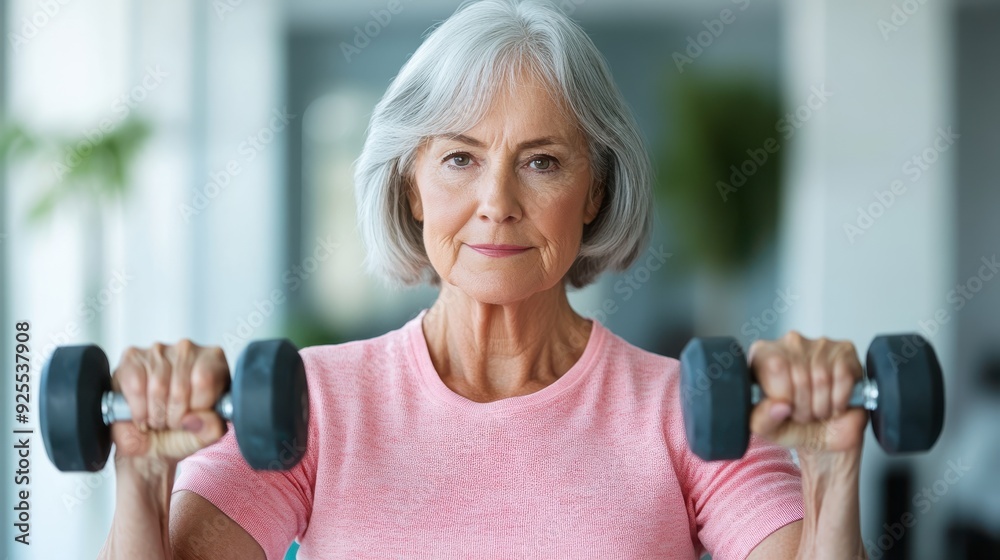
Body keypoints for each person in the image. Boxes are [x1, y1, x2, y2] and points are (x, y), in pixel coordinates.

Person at [98, 0, 868, 558]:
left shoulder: (692, 415)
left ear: (594, 190)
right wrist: (142, 476)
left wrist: (831, 478)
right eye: (460, 158)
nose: (497, 204)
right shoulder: (310, 405)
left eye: (542, 162)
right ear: (411, 186)